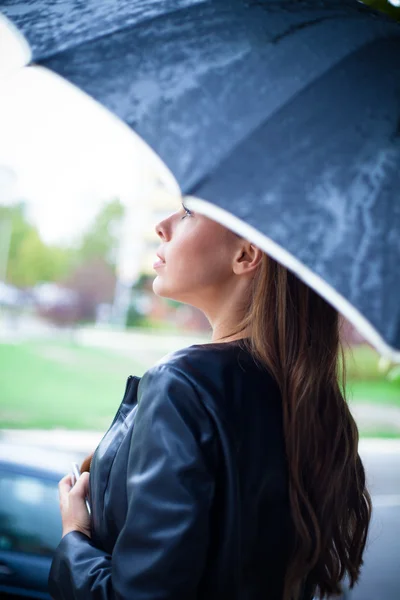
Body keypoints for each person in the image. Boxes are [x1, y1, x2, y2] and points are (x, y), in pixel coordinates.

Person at [49, 203, 372, 600]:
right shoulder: (306, 397)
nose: (161, 226)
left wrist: (74, 539)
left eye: (187, 214)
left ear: (246, 254)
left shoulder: (183, 385)